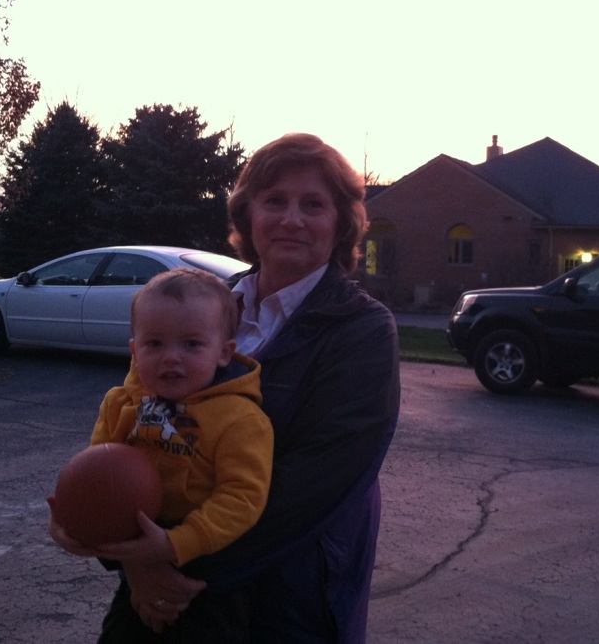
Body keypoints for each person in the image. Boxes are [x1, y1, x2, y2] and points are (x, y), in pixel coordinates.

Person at [100, 132, 402, 643]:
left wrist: (172, 558)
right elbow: (135, 419)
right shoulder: (203, 303)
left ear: (341, 223)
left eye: (313, 204)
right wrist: (121, 548)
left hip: (288, 594)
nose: (292, 219)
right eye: (274, 201)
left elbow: (313, 485)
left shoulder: (362, 330)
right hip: (157, 584)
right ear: (248, 214)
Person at [48, 267, 274, 641]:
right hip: (136, 558)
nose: (171, 357)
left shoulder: (241, 419)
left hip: (209, 572)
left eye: (192, 344)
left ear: (224, 353)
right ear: (135, 351)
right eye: (154, 343)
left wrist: (174, 544)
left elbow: (243, 497)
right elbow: (98, 472)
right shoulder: (121, 404)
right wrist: (75, 518)